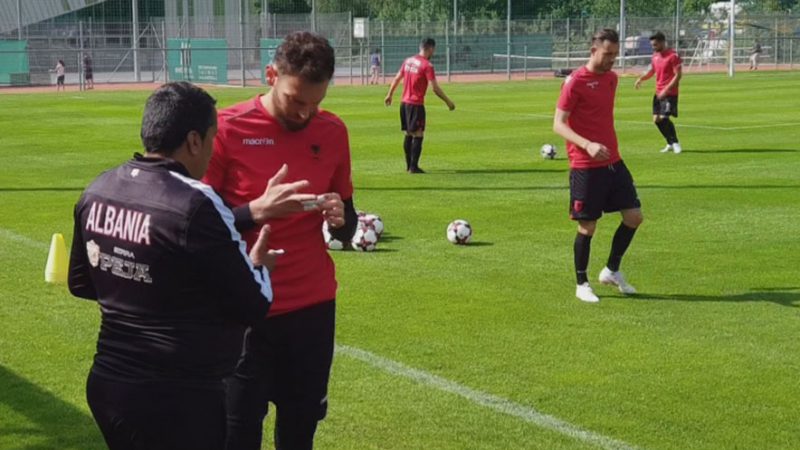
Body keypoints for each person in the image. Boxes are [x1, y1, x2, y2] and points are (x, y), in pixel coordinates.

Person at [68, 81, 315, 450]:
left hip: (108, 384)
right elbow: (253, 303)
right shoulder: (196, 200)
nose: (213, 150)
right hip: (179, 396)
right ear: (194, 141)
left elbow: (81, 282)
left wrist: (145, 289)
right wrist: (261, 266)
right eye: (213, 139)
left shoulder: (99, 188)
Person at [202, 31, 358, 450]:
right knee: (238, 434)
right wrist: (256, 211)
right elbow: (197, 227)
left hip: (312, 308)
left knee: (299, 431)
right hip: (244, 309)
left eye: (315, 103)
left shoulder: (333, 131)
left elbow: (347, 226)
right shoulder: (228, 129)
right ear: (271, 75)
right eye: (295, 100)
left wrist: (341, 219)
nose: (305, 113)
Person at [553, 29, 644, 304]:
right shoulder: (574, 82)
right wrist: (588, 144)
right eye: (607, 54)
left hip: (613, 161)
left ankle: (611, 270)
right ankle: (581, 283)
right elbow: (558, 124)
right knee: (588, 226)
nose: (612, 60)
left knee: (634, 217)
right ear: (593, 51)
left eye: (615, 54)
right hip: (585, 165)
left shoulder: (612, 79)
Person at [384, 37, 455, 174]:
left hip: (404, 103)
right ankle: (414, 167)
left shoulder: (408, 61)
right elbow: (435, 88)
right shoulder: (427, 65)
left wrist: (389, 94)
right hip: (415, 104)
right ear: (430, 48)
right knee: (418, 134)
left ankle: (408, 166)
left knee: (408, 133)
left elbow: (397, 78)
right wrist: (448, 101)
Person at [634, 31, 683, 154]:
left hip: (670, 93)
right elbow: (651, 71)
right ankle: (669, 143)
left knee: (664, 117)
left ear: (662, 42)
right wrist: (641, 79)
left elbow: (678, 75)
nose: (653, 47)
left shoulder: (673, 56)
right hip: (658, 92)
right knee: (656, 119)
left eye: (655, 44)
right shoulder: (655, 56)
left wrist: (666, 90)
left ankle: (675, 143)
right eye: (652, 45)